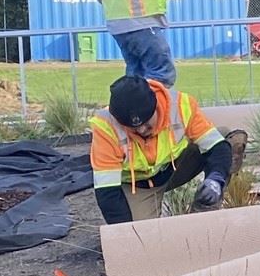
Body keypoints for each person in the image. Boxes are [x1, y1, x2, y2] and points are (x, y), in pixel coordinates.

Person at [89, 75, 233, 224]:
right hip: (139, 186)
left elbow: (218, 147)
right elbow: (107, 192)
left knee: (228, 138)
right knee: (141, 235)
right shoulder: (105, 127)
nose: (142, 129)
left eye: (146, 122)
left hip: (176, 168)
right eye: (133, 127)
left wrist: (215, 179)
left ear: (156, 106)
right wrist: (126, 233)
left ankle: (204, 211)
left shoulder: (180, 106)